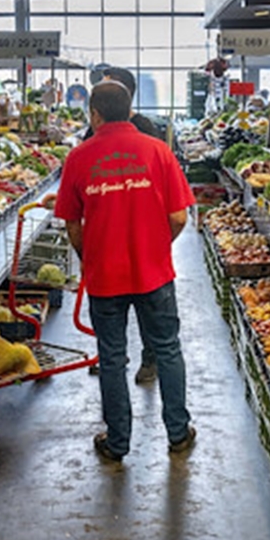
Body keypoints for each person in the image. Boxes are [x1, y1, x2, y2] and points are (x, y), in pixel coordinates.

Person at [55, 81, 196, 463]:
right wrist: (156, 245)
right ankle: (178, 433)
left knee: (112, 358)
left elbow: (71, 224)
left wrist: (91, 253)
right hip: (155, 274)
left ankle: (118, 443)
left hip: (105, 277)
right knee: (167, 349)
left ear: (94, 114)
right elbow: (178, 216)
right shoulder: (158, 152)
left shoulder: (79, 158)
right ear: (130, 110)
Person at [81, 66, 165, 383]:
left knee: (147, 310)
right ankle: (113, 357)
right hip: (109, 237)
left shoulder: (146, 130)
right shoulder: (93, 133)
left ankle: (149, 358)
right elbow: (87, 170)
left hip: (142, 237)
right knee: (116, 312)